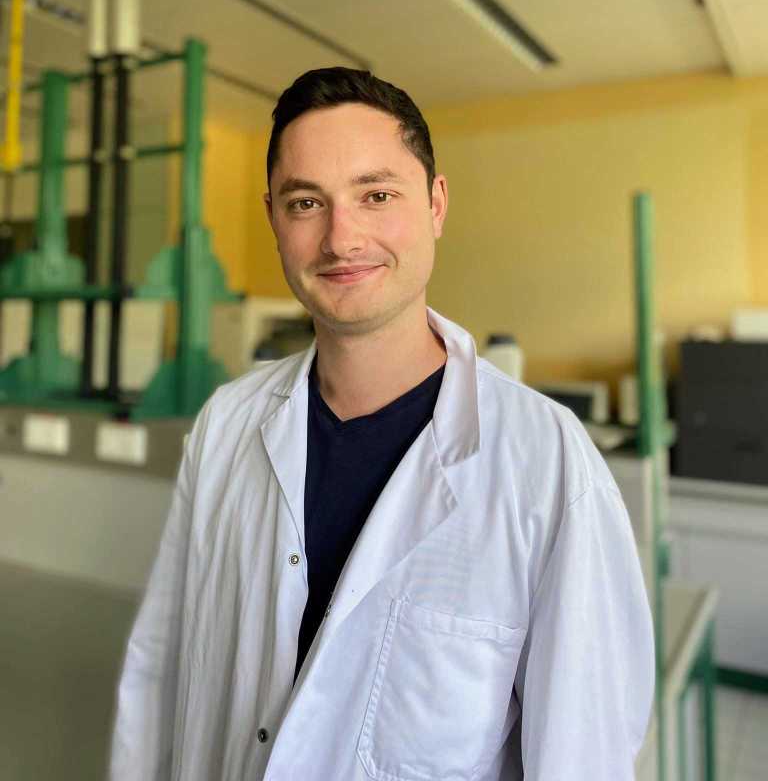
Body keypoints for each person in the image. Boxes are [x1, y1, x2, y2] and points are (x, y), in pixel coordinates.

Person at [110, 68, 655, 781]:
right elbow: (162, 673)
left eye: (376, 195)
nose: (342, 238)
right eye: (307, 202)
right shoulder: (227, 425)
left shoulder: (547, 464)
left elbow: (582, 756)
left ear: (435, 204)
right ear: (274, 217)